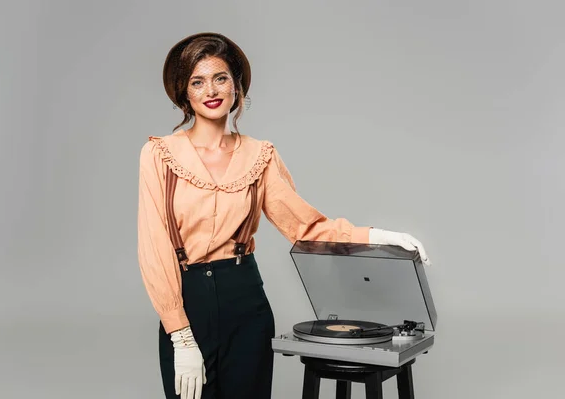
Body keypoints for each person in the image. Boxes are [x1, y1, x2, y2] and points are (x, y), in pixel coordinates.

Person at [137, 32, 431, 399]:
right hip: (187, 298)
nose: (211, 90)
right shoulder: (159, 156)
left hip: (245, 297)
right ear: (184, 92)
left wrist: (376, 237)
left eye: (221, 78)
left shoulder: (259, 156)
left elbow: (306, 227)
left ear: (236, 86)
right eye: (198, 82)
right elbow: (154, 248)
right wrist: (180, 334)